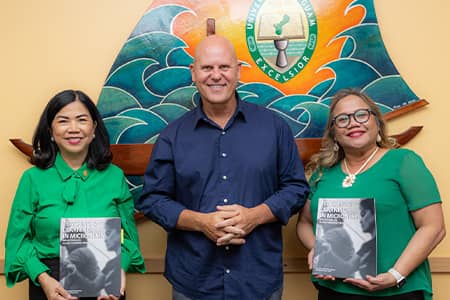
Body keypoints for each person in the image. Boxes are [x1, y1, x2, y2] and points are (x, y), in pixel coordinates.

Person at [136, 35, 310, 299]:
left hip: (258, 278)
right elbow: (152, 199)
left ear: (238, 71)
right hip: (194, 280)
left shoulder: (274, 128)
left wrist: (256, 216)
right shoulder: (172, 136)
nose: (216, 76)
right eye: (207, 68)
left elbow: (296, 188)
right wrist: (200, 222)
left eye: (224, 67)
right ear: (193, 73)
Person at [296, 88, 446, 300]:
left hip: (397, 291)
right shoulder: (322, 172)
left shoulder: (403, 162)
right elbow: (304, 223)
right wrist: (318, 249)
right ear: (334, 133)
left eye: (361, 114)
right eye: (342, 119)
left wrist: (395, 275)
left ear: (377, 123)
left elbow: (433, 227)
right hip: (334, 291)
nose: (353, 123)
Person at [4, 90, 146, 300]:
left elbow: (128, 237)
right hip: (49, 284)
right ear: (51, 131)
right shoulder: (32, 179)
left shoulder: (114, 176)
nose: (73, 129)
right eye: (63, 121)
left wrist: (119, 270)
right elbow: (18, 240)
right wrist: (42, 278)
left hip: (105, 284)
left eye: (81, 120)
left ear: (94, 128)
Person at [102, 218, 122, 297]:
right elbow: (94, 285)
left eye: (108, 233)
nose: (105, 240)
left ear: (120, 233)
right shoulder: (109, 265)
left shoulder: (124, 261)